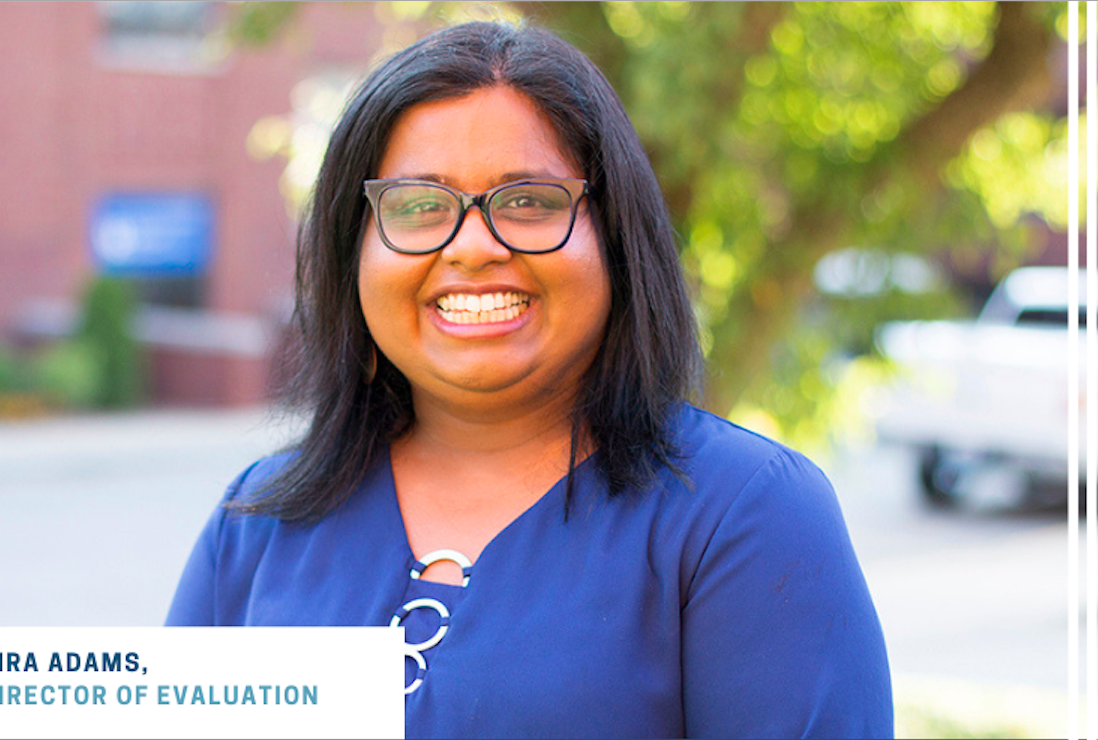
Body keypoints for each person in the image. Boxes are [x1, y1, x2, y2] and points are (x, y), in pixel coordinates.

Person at [167, 20, 892, 739]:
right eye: (418, 206)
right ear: (350, 249)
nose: (473, 247)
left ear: (613, 237)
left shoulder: (745, 515)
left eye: (529, 202)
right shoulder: (258, 522)